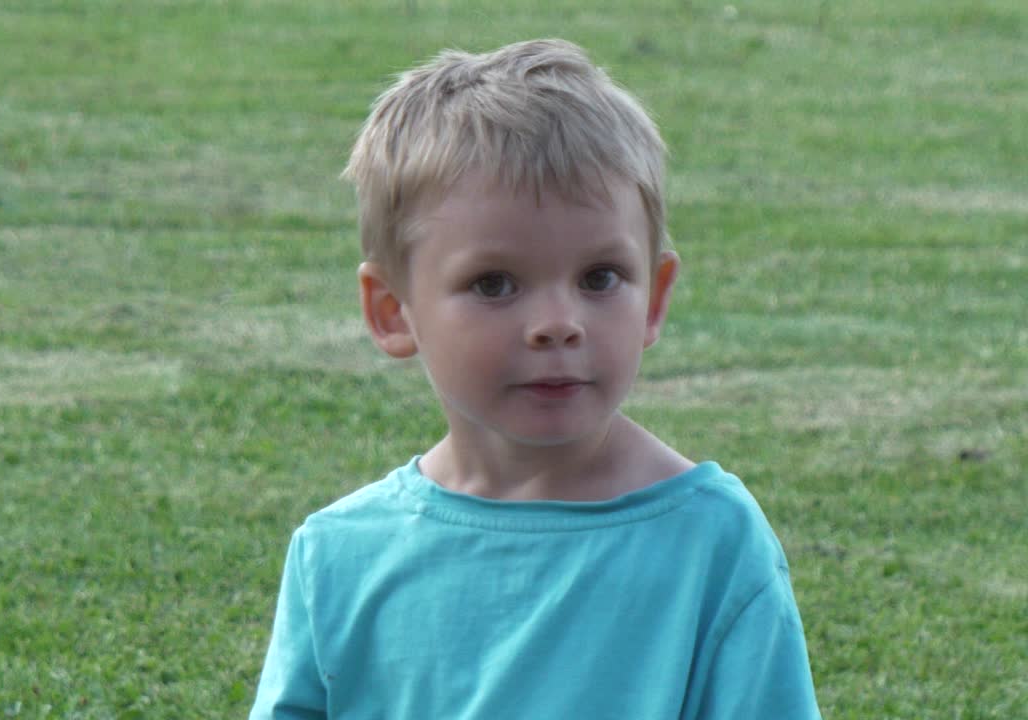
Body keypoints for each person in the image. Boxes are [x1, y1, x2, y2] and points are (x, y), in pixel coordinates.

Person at [249, 38, 821, 719]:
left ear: (654, 298)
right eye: (495, 284)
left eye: (599, 278)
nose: (557, 324)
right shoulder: (341, 555)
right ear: (393, 311)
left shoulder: (711, 545)